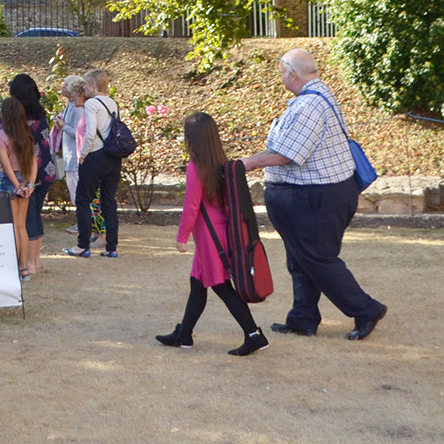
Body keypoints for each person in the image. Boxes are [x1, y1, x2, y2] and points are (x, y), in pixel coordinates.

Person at [243, 49, 387, 341]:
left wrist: (247, 163)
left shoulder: (308, 105)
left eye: (282, 72)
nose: (282, 77)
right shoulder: (319, 97)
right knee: (302, 258)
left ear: (292, 74)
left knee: (318, 258)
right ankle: (303, 318)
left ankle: (366, 308)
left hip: (316, 196)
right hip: (321, 193)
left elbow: (288, 154)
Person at [156, 112, 269, 356]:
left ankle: (254, 334)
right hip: (221, 230)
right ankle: (184, 334)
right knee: (197, 284)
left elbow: (192, 205)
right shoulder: (221, 163)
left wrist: (181, 236)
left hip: (209, 238)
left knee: (220, 286)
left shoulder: (196, 167)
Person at [65, 69, 121, 259]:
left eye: (87, 84)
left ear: (94, 85)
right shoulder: (112, 103)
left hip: (95, 155)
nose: (85, 88)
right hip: (112, 157)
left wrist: (83, 154)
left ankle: (82, 245)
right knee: (109, 201)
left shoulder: (92, 104)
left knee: (83, 200)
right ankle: (112, 247)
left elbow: (90, 132)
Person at [9, 74, 54, 275]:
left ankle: (29, 262)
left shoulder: (18, 117)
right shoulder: (40, 112)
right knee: (36, 214)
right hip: (46, 170)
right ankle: (36, 259)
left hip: (27, 172)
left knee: (29, 217)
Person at [0, 97, 38, 278]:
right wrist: (29, 184)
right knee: (22, 227)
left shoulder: (1, 136)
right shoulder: (27, 135)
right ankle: (24, 268)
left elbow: (6, 166)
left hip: (10, 182)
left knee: (12, 227)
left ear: (4, 116)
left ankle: (13, 268)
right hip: (26, 179)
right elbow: (33, 162)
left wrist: (16, 186)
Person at [58, 76, 85, 234]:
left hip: (75, 156)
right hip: (69, 154)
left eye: (65, 85)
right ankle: (81, 222)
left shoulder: (78, 108)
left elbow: (78, 132)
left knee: (77, 193)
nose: (62, 87)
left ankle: (83, 225)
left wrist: (63, 126)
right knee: (74, 191)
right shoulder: (70, 105)